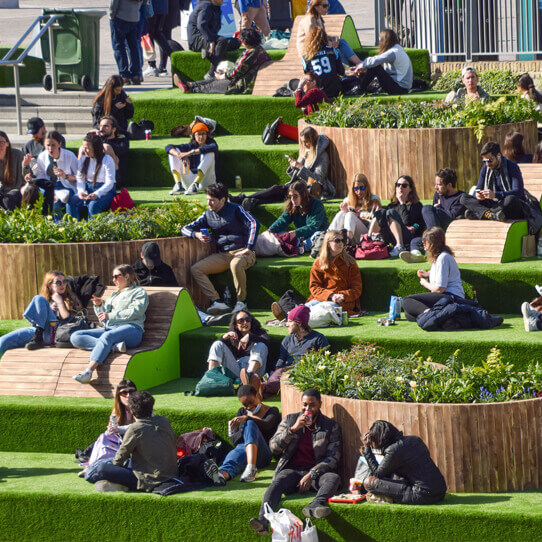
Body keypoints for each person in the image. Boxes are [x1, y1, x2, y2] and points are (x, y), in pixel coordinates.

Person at [249, 388, 342, 535]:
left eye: (312, 405)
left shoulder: (330, 426)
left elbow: (333, 458)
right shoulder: (290, 420)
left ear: (320, 404)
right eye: (304, 404)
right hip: (292, 471)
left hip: (315, 475)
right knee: (278, 481)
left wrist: (312, 474)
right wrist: (292, 430)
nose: (307, 409)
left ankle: (315, 505)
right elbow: (273, 448)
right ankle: (263, 521)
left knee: (333, 478)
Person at [181, 183, 259, 314]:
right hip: (223, 255)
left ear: (223, 200)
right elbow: (184, 229)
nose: (209, 203)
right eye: (207, 200)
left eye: (212, 200)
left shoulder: (236, 209)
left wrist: (249, 247)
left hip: (244, 252)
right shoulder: (207, 215)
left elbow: (254, 223)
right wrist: (196, 234)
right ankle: (217, 301)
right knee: (196, 269)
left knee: (235, 264)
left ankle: (241, 302)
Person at [71, 264, 149, 384]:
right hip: (110, 329)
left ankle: (88, 371)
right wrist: (99, 306)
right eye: (113, 277)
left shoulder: (138, 292)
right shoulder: (114, 294)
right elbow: (104, 319)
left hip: (132, 330)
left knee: (107, 337)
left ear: (127, 276)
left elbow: (136, 312)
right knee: (75, 336)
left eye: (116, 277)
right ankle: (113, 347)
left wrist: (110, 316)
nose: (113, 280)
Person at [88, 390, 178, 492]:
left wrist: (113, 467)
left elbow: (119, 458)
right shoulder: (164, 421)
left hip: (147, 479)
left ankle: (90, 472)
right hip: (171, 473)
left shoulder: (135, 429)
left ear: (131, 411)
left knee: (101, 468)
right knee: (116, 463)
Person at [236, 128, 334, 210]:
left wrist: (300, 167)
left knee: (278, 190)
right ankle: (252, 201)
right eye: (302, 142)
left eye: (306, 142)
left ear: (313, 141)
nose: (304, 145)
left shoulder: (322, 156)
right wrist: (294, 167)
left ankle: (243, 198)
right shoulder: (306, 152)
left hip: (310, 189)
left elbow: (318, 180)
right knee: (279, 193)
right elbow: (297, 176)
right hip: (298, 185)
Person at [361, 420, 447, 504]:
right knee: (394, 476)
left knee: (369, 482)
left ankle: (387, 498)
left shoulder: (394, 450)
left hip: (424, 494)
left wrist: (367, 448)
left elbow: (377, 474)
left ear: (381, 439)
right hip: (440, 491)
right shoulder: (415, 440)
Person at [0, 270, 81, 357]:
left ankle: (38, 337)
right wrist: (48, 309)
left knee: (38, 298)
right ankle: (38, 335)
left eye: (64, 282)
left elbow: (70, 321)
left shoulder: (71, 299)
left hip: (57, 334)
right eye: (58, 282)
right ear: (50, 285)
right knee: (3, 341)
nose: (62, 285)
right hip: (40, 332)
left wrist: (60, 302)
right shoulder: (45, 301)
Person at [173, 28, 270, 95]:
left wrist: (223, 75)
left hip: (242, 85)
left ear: (245, 41)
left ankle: (190, 88)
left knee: (212, 84)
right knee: (213, 80)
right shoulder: (260, 50)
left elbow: (236, 71)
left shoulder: (250, 53)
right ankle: (190, 84)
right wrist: (225, 74)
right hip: (247, 81)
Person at [216, 384, 280, 484]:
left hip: (263, 455)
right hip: (245, 450)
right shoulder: (242, 412)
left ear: (258, 396)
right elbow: (235, 442)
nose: (249, 407)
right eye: (245, 405)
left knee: (250, 424)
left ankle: (251, 468)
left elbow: (267, 425)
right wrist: (234, 430)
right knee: (237, 452)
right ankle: (222, 475)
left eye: (251, 402)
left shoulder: (272, 411)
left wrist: (247, 418)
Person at [262, 305, 329, 397]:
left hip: (304, 373)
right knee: (279, 375)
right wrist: (275, 372)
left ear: (299, 323)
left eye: (290, 321)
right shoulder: (287, 339)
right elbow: (281, 360)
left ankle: (261, 387)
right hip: (285, 371)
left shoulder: (318, 339)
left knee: (287, 379)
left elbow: (323, 361)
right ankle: (261, 390)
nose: (286, 324)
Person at [401, 168, 464, 263]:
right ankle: (416, 255)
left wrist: (438, 208)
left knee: (427, 208)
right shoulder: (438, 195)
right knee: (415, 241)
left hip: (450, 230)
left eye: (439, 184)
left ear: (449, 185)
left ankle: (435, 244)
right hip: (438, 230)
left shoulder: (461, 197)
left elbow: (452, 217)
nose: (436, 187)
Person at [402, 227, 464, 322]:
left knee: (407, 301)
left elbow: (440, 288)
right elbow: (442, 273)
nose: (423, 243)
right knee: (409, 315)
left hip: (451, 297)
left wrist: (425, 283)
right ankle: (440, 316)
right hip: (445, 297)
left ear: (433, 242)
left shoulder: (443, 258)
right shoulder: (440, 256)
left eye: (425, 241)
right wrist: (428, 273)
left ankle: (431, 314)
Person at [460, 141, 530, 221]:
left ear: (499, 156)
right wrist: (478, 194)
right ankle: (491, 215)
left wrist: (496, 195)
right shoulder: (485, 169)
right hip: (493, 204)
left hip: (509, 205)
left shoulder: (512, 167)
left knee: (511, 199)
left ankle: (481, 213)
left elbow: (518, 192)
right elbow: (478, 188)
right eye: (484, 161)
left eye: (490, 160)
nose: (487, 164)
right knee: (463, 198)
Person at [77, 380, 137, 470]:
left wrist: (119, 429)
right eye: (124, 393)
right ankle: (91, 463)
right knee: (104, 436)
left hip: (137, 440)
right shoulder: (117, 411)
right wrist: (112, 429)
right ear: (119, 396)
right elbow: (111, 434)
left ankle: (90, 460)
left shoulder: (142, 406)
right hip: (121, 441)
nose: (128, 396)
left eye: (132, 392)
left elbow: (141, 426)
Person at [206, 310, 269, 389]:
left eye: (247, 320)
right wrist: (224, 337)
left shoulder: (259, 333)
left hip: (255, 371)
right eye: (241, 321)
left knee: (261, 345)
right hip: (237, 369)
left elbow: (266, 342)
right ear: (236, 324)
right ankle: (212, 378)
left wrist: (250, 336)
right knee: (217, 344)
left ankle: (248, 377)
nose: (245, 323)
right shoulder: (234, 336)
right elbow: (217, 348)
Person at [306, 230, 363, 314]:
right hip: (321, 299)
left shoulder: (350, 262)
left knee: (322, 311)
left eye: (342, 241)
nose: (340, 243)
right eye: (337, 241)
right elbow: (314, 287)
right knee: (302, 310)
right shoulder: (318, 263)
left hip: (343, 302)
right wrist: (330, 295)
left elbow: (357, 288)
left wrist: (342, 296)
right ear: (328, 244)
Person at [368, 175, 424, 258]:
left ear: (410, 189)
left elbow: (407, 222)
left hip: (408, 237)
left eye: (404, 185)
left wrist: (402, 203)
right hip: (391, 236)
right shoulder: (391, 205)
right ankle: (368, 242)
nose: (400, 187)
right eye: (398, 185)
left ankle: (400, 246)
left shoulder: (416, 205)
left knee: (390, 212)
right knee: (380, 212)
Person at [26, 130, 78, 217]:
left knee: (66, 200)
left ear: (59, 144)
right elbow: (41, 177)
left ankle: (72, 224)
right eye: (48, 145)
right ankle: (53, 224)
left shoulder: (70, 156)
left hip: (67, 185)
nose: (50, 148)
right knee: (51, 201)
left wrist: (65, 176)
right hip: (50, 186)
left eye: (53, 145)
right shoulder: (42, 156)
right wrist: (32, 179)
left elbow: (79, 177)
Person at [66, 134, 117, 221]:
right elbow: (80, 178)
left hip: (105, 191)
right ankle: (73, 228)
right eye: (83, 147)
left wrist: (97, 193)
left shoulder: (107, 160)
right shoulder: (83, 159)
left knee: (93, 205)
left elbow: (110, 182)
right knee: (71, 202)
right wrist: (81, 191)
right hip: (88, 188)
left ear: (95, 148)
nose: (84, 150)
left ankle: (92, 230)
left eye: (87, 148)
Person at [268, 181, 330, 251]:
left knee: (319, 236)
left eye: (295, 196)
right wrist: (269, 231)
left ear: (303, 194)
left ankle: (299, 245)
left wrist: (296, 233)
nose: (292, 199)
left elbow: (313, 226)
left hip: (314, 235)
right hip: (301, 238)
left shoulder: (317, 204)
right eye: (290, 196)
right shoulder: (292, 205)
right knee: (279, 235)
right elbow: (283, 220)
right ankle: (299, 245)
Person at [187, 0, 241, 80]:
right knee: (222, 41)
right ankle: (211, 73)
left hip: (209, 38)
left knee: (236, 42)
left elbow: (216, 27)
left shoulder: (216, 7)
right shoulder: (205, 6)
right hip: (197, 39)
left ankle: (208, 50)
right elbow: (201, 25)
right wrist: (211, 41)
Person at [296, 0, 360, 66]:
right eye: (324, 6)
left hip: (318, 47)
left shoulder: (318, 17)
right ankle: (344, 70)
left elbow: (320, 35)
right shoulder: (309, 20)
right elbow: (314, 41)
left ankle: (359, 63)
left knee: (341, 42)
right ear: (316, 7)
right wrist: (330, 44)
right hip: (309, 52)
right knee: (336, 51)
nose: (327, 8)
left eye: (328, 6)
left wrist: (331, 38)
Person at [353, 28, 413, 95]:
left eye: (380, 41)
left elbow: (375, 60)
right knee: (374, 66)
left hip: (399, 88)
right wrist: (365, 68)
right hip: (402, 87)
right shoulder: (397, 49)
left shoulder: (393, 52)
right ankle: (362, 88)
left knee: (375, 67)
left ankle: (360, 89)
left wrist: (362, 64)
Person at [165, 121, 218, 196]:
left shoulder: (212, 144)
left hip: (206, 182)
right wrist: (179, 155)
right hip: (189, 182)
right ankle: (178, 185)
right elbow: (168, 147)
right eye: (198, 134)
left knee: (210, 152)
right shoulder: (191, 145)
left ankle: (195, 184)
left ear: (207, 135)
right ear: (194, 136)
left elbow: (212, 147)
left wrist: (189, 153)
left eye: (203, 134)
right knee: (172, 153)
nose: (201, 137)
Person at [328, 173, 382, 244]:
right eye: (356, 188)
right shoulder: (348, 201)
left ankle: (347, 243)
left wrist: (358, 217)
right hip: (350, 231)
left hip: (368, 234)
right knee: (341, 213)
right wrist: (346, 211)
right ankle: (328, 239)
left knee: (350, 215)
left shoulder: (374, 200)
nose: (359, 191)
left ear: (367, 187)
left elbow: (376, 224)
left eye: (362, 188)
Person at [302, 27, 345, 99]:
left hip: (318, 93)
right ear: (325, 37)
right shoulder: (333, 51)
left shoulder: (305, 57)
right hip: (335, 91)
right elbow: (341, 72)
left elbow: (308, 76)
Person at [109, 0, 144, 85]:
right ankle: (136, 75)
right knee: (133, 47)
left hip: (120, 16)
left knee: (119, 47)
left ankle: (124, 75)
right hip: (134, 17)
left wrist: (111, 14)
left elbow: (114, 2)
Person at [95, 115, 130, 187]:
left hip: (116, 178)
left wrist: (101, 139)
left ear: (113, 129)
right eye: (101, 126)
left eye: (106, 126)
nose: (101, 129)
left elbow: (118, 150)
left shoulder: (122, 141)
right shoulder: (98, 140)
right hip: (98, 177)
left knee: (106, 147)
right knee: (84, 148)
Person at [142, 0, 172, 77]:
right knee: (156, 33)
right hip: (162, 6)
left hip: (151, 6)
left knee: (149, 34)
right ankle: (173, 55)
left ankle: (151, 64)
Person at [0, 130, 25, 211]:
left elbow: (25, 177)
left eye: (1, 143)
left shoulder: (17, 155)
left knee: (7, 200)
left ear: (7, 144)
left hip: (14, 189)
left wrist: (25, 166)